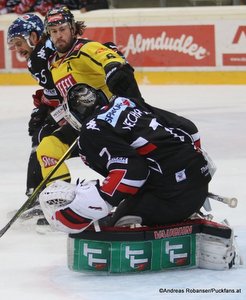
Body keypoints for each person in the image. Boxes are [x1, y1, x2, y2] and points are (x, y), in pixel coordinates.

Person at [39, 83, 211, 233]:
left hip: (171, 198)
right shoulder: (126, 102)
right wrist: (192, 170)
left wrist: (102, 198)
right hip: (200, 183)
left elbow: (133, 171)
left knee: (117, 221)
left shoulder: (91, 130)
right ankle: (186, 208)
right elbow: (188, 127)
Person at [35, 6, 142, 192]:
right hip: (83, 126)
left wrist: (113, 67)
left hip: (109, 120)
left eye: (62, 30)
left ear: (73, 29)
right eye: (54, 32)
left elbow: (109, 59)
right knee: (48, 146)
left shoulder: (84, 48)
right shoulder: (54, 65)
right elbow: (69, 101)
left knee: (114, 161)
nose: (59, 35)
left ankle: (134, 191)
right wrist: (54, 119)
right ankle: (60, 199)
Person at [7, 13, 66, 200]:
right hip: (84, 102)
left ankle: (39, 195)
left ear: (33, 36)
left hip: (82, 108)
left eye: (19, 43)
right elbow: (57, 89)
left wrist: (43, 110)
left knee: (40, 137)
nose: (18, 49)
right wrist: (43, 107)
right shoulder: (48, 45)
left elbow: (58, 94)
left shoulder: (37, 59)